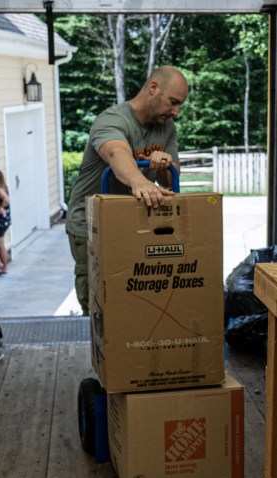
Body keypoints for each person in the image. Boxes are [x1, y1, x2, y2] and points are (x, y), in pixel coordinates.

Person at [65, 65, 189, 315]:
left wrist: (163, 165)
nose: (176, 112)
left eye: (179, 106)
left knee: (133, 294)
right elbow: (115, 152)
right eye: (173, 102)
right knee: (100, 300)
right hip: (91, 225)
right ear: (153, 88)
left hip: (131, 222)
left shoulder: (166, 128)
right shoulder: (112, 120)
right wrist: (140, 182)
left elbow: (169, 180)